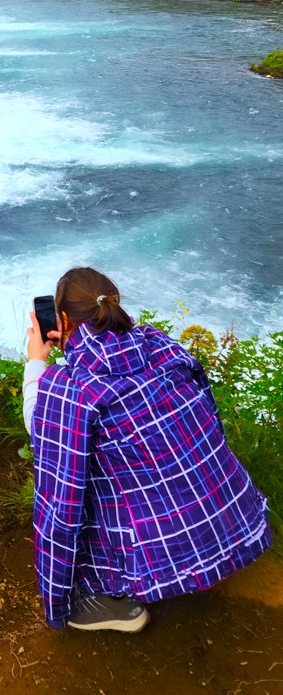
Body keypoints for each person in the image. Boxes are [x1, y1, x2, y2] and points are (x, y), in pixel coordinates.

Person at [23, 267, 271, 633]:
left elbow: (41, 430)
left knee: (75, 478)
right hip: (236, 518)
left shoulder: (72, 388)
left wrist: (35, 362)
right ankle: (212, 549)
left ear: (61, 320)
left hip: (157, 543)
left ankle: (112, 601)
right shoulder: (160, 343)